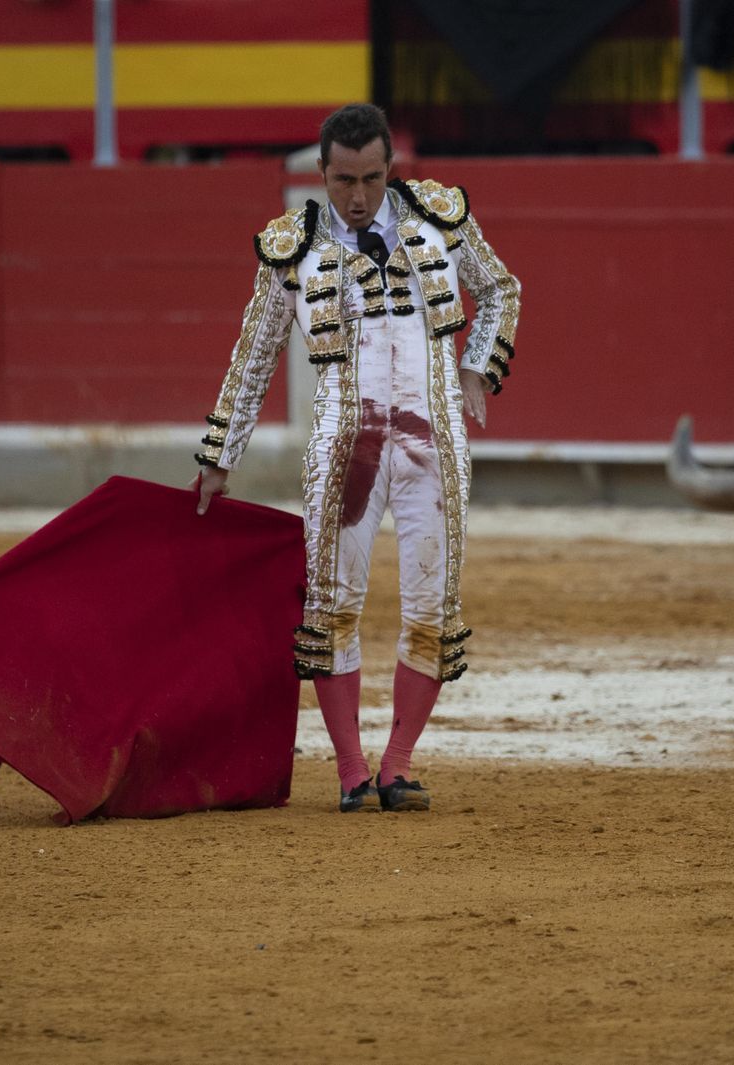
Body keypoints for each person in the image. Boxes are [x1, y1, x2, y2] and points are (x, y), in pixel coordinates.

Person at [192, 103, 520, 814]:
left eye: (372, 177)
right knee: (331, 607)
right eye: (345, 180)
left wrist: (475, 370)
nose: (359, 195)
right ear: (323, 172)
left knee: (434, 608)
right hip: (346, 447)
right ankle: (349, 769)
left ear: (390, 169)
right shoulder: (294, 247)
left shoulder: (441, 221)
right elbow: (255, 353)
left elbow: (499, 288)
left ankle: (398, 766)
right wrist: (222, 454)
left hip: (434, 443)